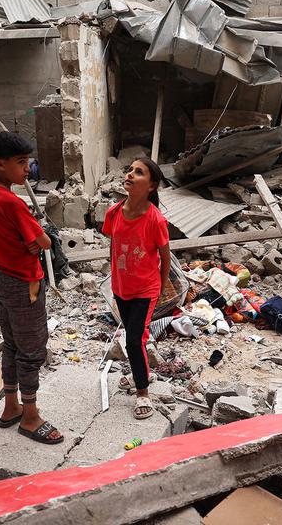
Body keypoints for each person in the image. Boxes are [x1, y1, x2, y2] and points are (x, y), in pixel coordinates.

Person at [0, 132, 63, 445]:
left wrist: (30, 241)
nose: (27, 168)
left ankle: (10, 406)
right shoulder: (12, 202)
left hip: (1, 277)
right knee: (32, 350)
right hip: (23, 282)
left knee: (12, 344)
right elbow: (42, 241)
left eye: (27, 162)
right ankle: (30, 416)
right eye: (20, 162)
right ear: (0, 165)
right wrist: (40, 240)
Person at [102, 157, 171, 419]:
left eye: (138, 172)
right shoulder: (114, 212)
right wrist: (114, 276)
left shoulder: (156, 220)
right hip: (121, 287)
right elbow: (114, 245)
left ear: (151, 185)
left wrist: (160, 289)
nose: (130, 174)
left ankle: (143, 393)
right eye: (129, 170)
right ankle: (140, 372)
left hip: (145, 290)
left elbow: (166, 258)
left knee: (132, 340)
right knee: (137, 338)